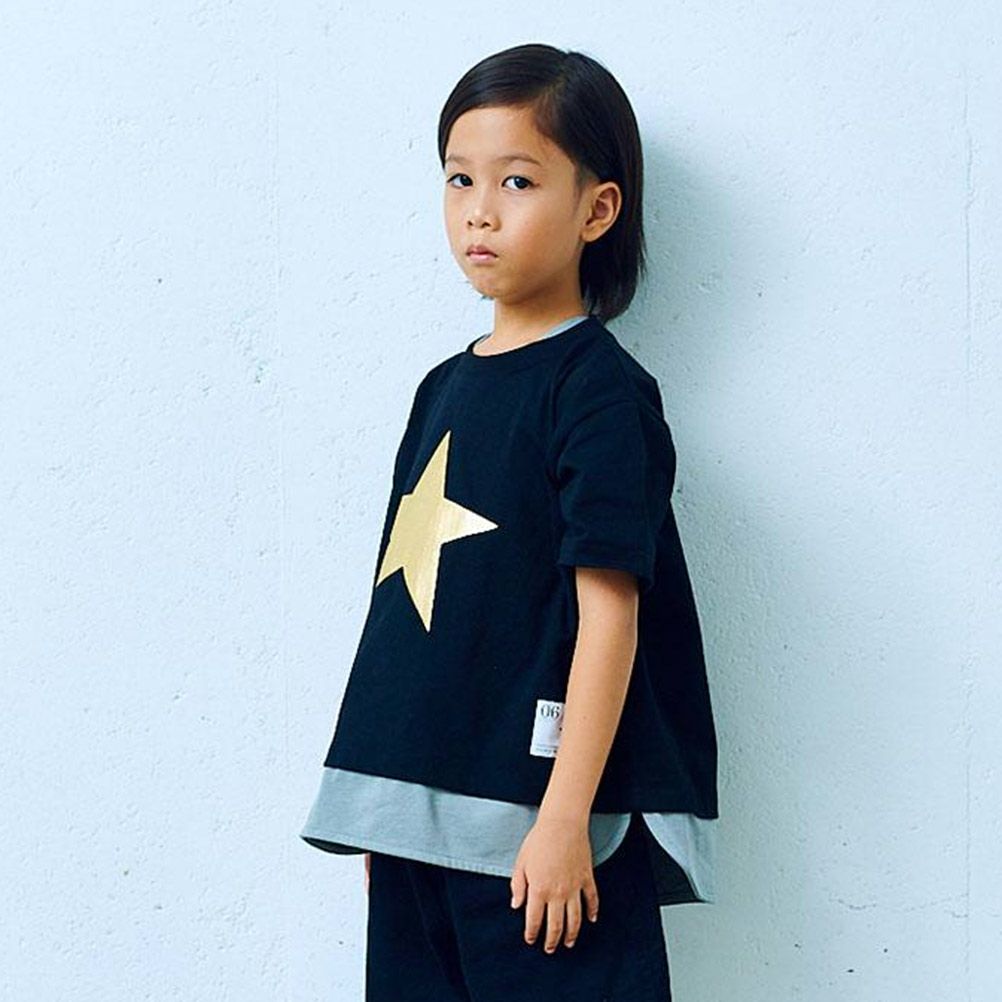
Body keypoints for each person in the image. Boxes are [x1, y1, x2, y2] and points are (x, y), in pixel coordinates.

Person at [300, 42, 719, 1001]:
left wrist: (565, 819)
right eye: (460, 179)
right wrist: (395, 816)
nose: (479, 211)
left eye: (518, 181)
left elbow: (611, 614)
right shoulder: (441, 389)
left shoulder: (598, 392)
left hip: (545, 833)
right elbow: (415, 610)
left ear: (597, 210)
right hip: (421, 835)